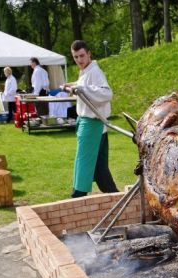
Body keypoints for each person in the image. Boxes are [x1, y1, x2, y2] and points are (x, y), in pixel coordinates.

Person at [62, 40, 118, 198]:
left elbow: (106, 93)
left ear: (89, 54)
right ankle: (115, 197)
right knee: (100, 168)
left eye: (81, 56)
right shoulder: (86, 71)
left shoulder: (95, 71)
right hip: (91, 124)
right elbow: (85, 85)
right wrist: (72, 85)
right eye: (75, 57)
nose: (79, 60)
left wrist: (79, 88)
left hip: (92, 125)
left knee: (83, 163)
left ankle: (76, 198)